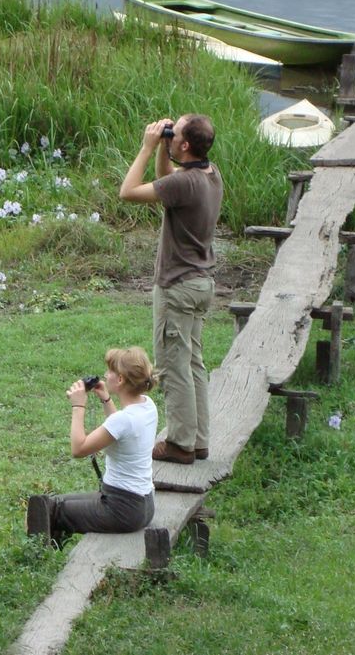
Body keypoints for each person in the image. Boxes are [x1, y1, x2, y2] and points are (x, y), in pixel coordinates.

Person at [119, 115, 223, 465]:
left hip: (177, 287)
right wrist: (166, 147)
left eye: (174, 133)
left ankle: (180, 443)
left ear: (185, 146)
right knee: (193, 364)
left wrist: (147, 148)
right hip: (200, 284)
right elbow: (167, 181)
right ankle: (199, 440)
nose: (168, 133)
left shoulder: (186, 183)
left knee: (172, 367)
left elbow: (128, 191)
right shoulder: (209, 175)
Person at [26, 347, 158, 545]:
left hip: (121, 509)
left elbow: (78, 449)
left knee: (46, 509)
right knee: (54, 502)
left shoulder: (124, 420)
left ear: (120, 380)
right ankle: (54, 546)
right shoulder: (148, 406)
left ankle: (37, 556)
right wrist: (106, 399)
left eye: (110, 371)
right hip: (143, 504)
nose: (106, 374)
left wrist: (78, 406)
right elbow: (122, 431)